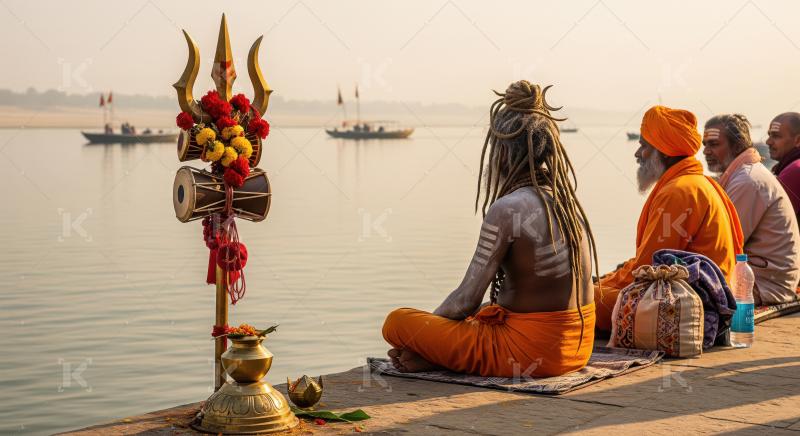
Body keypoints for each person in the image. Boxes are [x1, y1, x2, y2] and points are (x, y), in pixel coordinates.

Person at [382, 80, 598, 377]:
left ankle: (434, 355)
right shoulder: (567, 202)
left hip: (530, 354)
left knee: (397, 322)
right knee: (483, 312)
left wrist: (425, 340)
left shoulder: (508, 208)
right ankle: (440, 355)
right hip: (578, 348)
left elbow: (464, 301)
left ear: (504, 153)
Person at [594, 105, 744, 331]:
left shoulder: (678, 191)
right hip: (706, 303)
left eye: (643, 146)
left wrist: (600, 285)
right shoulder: (700, 183)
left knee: (576, 299)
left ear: (664, 151)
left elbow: (648, 270)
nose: (637, 154)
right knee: (593, 290)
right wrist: (607, 280)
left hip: (686, 310)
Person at [703, 114, 800, 304]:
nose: (706, 151)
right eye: (704, 144)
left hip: (766, 286)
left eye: (714, 144)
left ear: (738, 146)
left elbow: (723, 244)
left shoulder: (747, 181)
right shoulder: (742, 175)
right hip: (761, 278)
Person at [767, 112, 800, 223]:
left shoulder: (794, 171)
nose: (768, 142)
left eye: (776, 136)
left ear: (798, 140)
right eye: (769, 135)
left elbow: (773, 223)